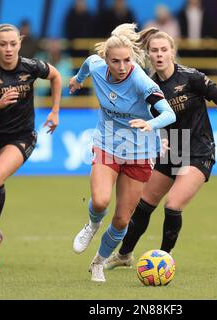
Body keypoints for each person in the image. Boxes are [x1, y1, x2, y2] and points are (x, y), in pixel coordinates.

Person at [103, 31, 217, 270]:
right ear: (148, 55)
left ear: (172, 52)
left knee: (172, 205)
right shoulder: (149, 86)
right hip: (173, 148)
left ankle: (162, 260)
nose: (159, 55)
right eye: (154, 51)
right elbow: (144, 119)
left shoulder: (191, 77)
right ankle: (124, 255)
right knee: (144, 204)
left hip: (199, 149)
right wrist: (156, 137)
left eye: (163, 50)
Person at [68, 23, 176, 282]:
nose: (122, 66)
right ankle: (92, 225)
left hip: (139, 152)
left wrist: (150, 124)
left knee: (121, 219)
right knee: (101, 201)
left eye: (127, 60)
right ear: (106, 60)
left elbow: (169, 113)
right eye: (115, 61)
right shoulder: (96, 66)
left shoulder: (140, 80)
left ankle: (99, 262)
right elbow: (87, 64)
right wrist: (77, 80)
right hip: (107, 144)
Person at [0, 24, 62, 265]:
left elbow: (56, 76)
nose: (9, 49)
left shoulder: (31, 66)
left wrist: (54, 111)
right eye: (3, 44)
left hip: (21, 136)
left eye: (13, 43)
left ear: (20, 44)